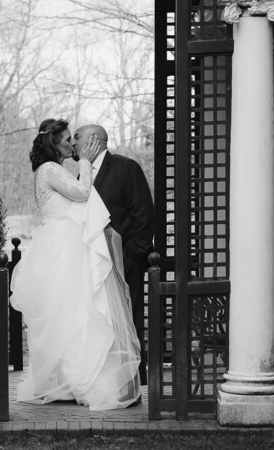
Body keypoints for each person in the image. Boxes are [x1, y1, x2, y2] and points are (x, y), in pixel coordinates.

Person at [10, 118, 141, 410]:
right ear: (52, 143)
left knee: (70, 313)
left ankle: (69, 380)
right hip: (62, 248)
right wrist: (85, 161)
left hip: (60, 245)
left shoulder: (51, 170)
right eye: (68, 139)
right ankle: (74, 381)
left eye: (73, 139)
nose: (72, 143)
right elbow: (82, 193)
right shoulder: (50, 170)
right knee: (71, 313)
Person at [73, 124, 154, 385]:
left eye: (77, 137)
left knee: (127, 322)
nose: (73, 143)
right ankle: (102, 380)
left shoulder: (125, 167)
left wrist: (129, 257)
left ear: (93, 140)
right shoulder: (79, 175)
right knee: (98, 322)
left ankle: (131, 380)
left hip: (125, 264)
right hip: (91, 267)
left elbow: (143, 215)